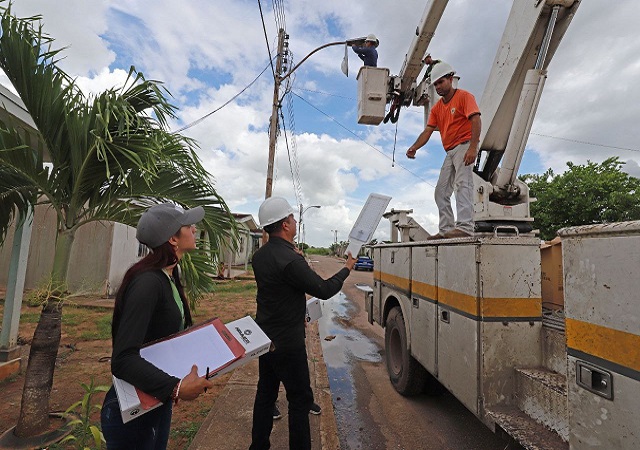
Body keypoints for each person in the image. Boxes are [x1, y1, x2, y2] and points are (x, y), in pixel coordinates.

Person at [101, 203, 213, 449]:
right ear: (173, 238)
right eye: (188, 226)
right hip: (131, 416)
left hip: (153, 402)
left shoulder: (168, 275)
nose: (195, 229)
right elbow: (122, 359)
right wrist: (177, 387)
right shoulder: (148, 283)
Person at [250, 196, 356, 450]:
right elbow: (324, 288)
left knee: (265, 394)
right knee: (299, 399)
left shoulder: (260, 256)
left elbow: (281, 286)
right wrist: (347, 268)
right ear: (285, 225)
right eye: (292, 218)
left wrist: (295, 257)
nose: (295, 221)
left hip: (266, 339)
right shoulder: (290, 260)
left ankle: (258, 446)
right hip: (288, 343)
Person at [406, 61, 482, 239]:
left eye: (441, 82)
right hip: (450, 151)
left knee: (463, 184)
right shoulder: (437, 108)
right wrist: (414, 147)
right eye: (436, 84)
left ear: (450, 79)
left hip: (464, 145)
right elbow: (428, 131)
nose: (438, 87)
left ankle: (465, 228)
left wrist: (473, 147)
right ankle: (446, 230)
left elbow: (476, 120)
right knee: (441, 191)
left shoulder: (464, 97)